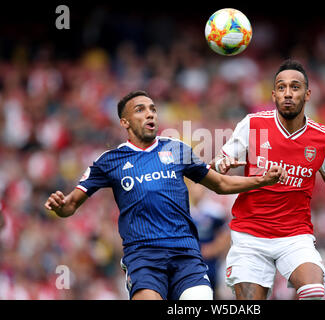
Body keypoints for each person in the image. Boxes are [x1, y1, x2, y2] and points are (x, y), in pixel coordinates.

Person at [44, 90, 286, 300]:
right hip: (143, 257)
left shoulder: (177, 149)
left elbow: (220, 184)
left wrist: (262, 180)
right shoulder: (109, 161)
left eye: (153, 109)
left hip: (186, 254)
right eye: (140, 110)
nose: (150, 114)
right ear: (125, 122)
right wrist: (60, 206)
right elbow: (70, 206)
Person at [210, 59, 325, 300]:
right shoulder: (253, 125)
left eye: (295, 87)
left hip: (295, 236)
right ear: (273, 94)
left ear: (307, 94)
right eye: (281, 87)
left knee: (313, 291)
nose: (287, 93)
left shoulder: (322, 139)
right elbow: (217, 165)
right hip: (250, 236)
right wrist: (221, 164)